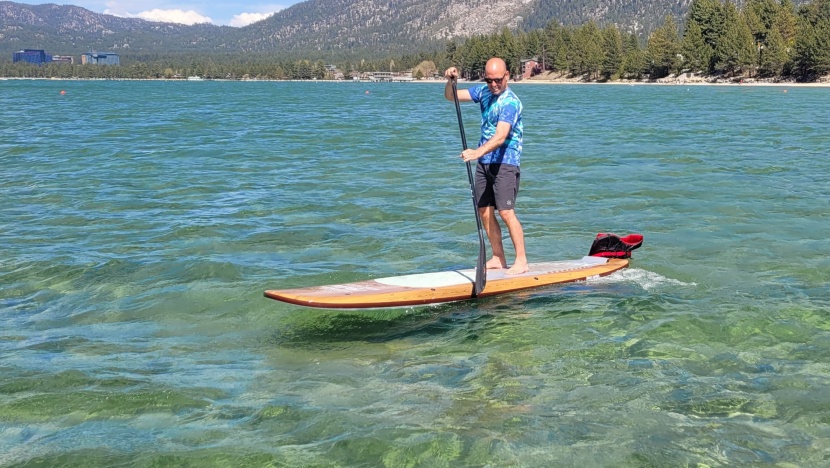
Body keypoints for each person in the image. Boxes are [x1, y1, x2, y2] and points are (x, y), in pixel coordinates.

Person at [444, 57, 528, 275]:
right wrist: (450, 81)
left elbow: (501, 137)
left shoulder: (510, 103)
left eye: (497, 80)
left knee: (506, 211)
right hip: (485, 162)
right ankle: (498, 257)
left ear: (507, 76)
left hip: (506, 162)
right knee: (484, 210)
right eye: (489, 80)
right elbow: (451, 96)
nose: (493, 84)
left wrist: (476, 152)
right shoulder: (483, 92)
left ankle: (521, 260)